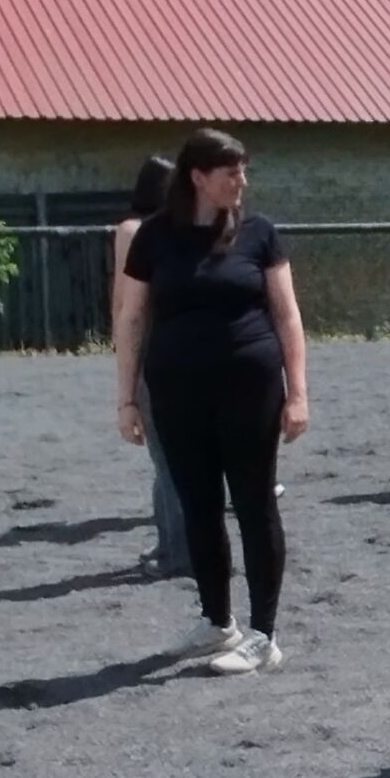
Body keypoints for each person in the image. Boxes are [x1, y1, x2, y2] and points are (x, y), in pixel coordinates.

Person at [113, 128, 309, 676]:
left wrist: (298, 392)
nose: (241, 181)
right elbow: (132, 318)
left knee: (253, 503)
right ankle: (217, 620)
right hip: (176, 391)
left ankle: (264, 635)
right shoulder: (153, 237)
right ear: (198, 177)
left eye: (243, 171)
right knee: (197, 505)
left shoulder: (259, 233)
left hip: (250, 386)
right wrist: (126, 399)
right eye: (230, 172)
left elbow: (287, 314)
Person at [111, 155, 189, 580]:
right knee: (167, 460)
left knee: (167, 460)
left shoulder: (134, 230)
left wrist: (121, 352)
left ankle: (180, 551)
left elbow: (124, 303)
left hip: (152, 349)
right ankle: (171, 543)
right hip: (174, 345)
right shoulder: (177, 230)